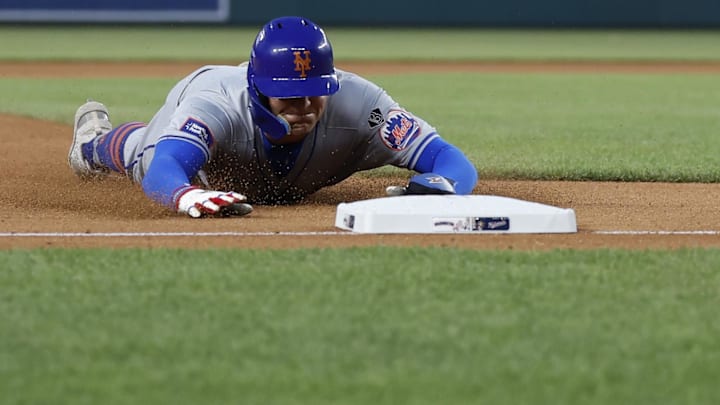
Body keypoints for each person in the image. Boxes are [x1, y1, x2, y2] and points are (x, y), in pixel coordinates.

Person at [68, 16, 478, 218]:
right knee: (145, 153)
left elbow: (449, 159)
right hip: (196, 119)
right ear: (259, 88)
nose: (303, 107)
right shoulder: (218, 103)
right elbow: (167, 168)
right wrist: (186, 194)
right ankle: (92, 143)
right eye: (287, 96)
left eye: (313, 93)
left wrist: (443, 185)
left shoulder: (363, 106)